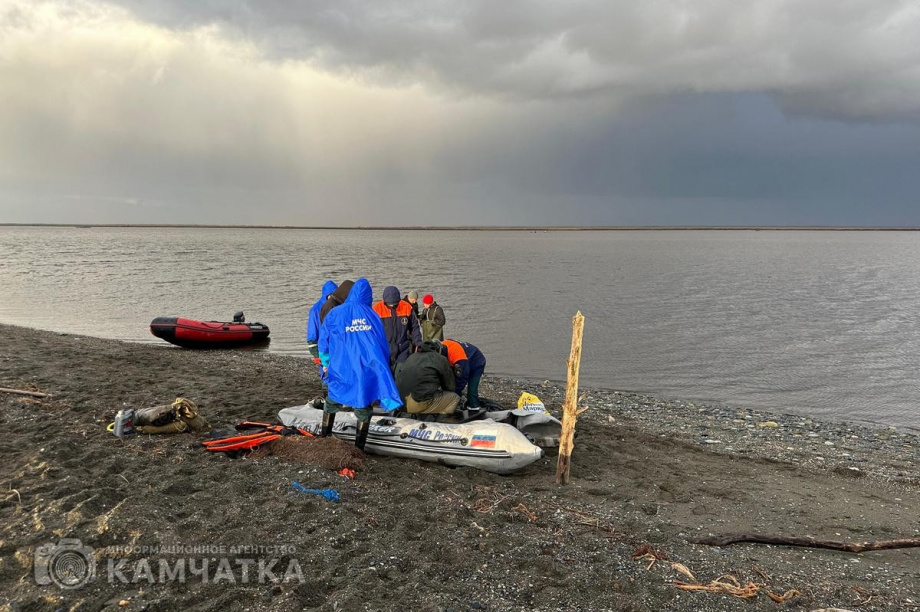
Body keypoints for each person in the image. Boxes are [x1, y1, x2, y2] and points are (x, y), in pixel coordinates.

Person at [317, 278, 401, 450]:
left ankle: (324, 438)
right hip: (365, 369)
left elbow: (323, 342)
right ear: (368, 296)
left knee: (333, 399)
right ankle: (358, 448)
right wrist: (382, 366)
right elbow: (382, 344)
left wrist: (325, 363)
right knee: (362, 405)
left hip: (341, 367)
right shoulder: (373, 315)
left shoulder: (336, 313)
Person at [395, 341, 459, 416]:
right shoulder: (440, 358)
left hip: (399, 403)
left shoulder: (411, 357)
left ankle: (419, 413)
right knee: (454, 398)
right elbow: (450, 387)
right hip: (416, 403)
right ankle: (439, 422)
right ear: (438, 350)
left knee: (423, 393)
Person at [372, 285, 422, 371]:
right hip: (384, 349)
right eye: (389, 304)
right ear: (384, 301)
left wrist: (418, 344)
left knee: (402, 377)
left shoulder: (407, 307)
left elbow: (414, 327)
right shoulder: (376, 309)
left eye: (394, 304)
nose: (392, 306)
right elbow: (371, 331)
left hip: (403, 349)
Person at [438, 339, 486, 409]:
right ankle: (456, 401)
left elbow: (462, 377)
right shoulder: (440, 346)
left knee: (472, 391)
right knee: (451, 383)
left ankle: (474, 407)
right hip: (460, 359)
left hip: (477, 362)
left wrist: (455, 393)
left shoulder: (457, 356)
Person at [306, 280, 338, 360]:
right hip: (324, 351)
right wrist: (317, 355)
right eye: (331, 295)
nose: (332, 298)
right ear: (326, 295)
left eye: (334, 295)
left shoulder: (339, 307)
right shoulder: (315, 310)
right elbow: (312, 336)